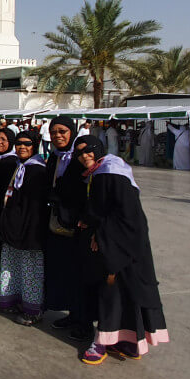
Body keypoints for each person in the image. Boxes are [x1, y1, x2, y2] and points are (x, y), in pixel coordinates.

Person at [73, 135, 169, 364]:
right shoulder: (105, 170)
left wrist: (101, 233)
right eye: (80, 153)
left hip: (120, 245)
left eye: (88, 150)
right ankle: (127, 340)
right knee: (124, 294)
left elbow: (119, 213)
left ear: (98, 150)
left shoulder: (109, 173)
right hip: (124, 243)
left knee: (111, 293)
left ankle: (102, 342)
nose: (84, 156)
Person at [42, 116, 88, 338]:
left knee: (80, 274)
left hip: (77, 226)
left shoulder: (80, 158)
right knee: (64, 272)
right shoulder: (54, 157)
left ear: (72, 132)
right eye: (53, 132)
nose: (58, 136)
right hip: (57, 225)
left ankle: (84, 321)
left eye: (63, 131)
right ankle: (72, 314)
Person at [0, 131, 48, 325]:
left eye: (27, 144)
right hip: (14, 227)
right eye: (18, 144)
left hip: (30, 230)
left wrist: (27, 228)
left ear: (34, 146)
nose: (22, 147)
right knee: (13, 266)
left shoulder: (37, 170)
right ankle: (14, 300)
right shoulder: (18, 166)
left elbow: (35, 206)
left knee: (30, 270)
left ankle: (33, 310)